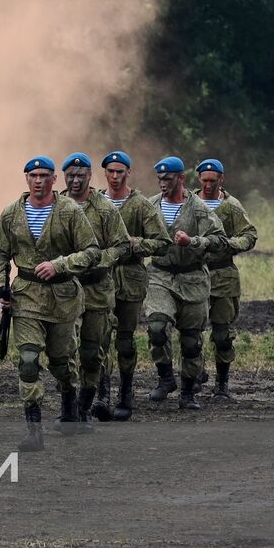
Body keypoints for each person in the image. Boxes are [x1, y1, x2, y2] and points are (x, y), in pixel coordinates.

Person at [0, 156, 99, 452]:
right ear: (26, 179)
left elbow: (91, 252)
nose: (38, 180)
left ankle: (69, 405)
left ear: (54, 179)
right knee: (28, 361)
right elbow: (0, 253)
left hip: (62, 297)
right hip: (25, 295)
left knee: (61, 363)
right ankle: (34, 430)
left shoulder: (70, 211)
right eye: (33, 175)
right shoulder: (12, 213)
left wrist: (60, 264)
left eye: (44, 175)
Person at [144, 157, 227, 410]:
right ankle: (165, 377)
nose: (162, 183)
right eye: (159, 179)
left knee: (191, 341)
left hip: (192, 278)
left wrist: (193, 241)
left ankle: (188, 393)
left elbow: (219, 239)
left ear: (181, 178)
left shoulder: (198, 207)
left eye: (168, 178)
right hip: (160, 275)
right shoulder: (150, 206)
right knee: (157, 326)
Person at [99, 151, 170, 421]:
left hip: (130, 278)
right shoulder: (96, 204)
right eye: (111, 171)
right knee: (99, 339)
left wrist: (136, 244)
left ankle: (126, 394)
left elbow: (162, 243)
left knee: (125, 341)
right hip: (100, 279)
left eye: (120, 171)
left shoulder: (140, 205)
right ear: (104, 173)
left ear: (129, 172)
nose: (115, 176)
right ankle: (101, 394)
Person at [60, 153, 127, 429]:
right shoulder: (56, 206)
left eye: (81, 175)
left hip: (97, 289)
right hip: (64, 288)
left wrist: (99, 259)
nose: (75, 180)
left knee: (91, 352)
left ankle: (85, 407)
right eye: (70, 176)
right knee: (64, 350)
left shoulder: (105, 209)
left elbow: (122, 245)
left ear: (90, 176)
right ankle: (68, 408)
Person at [195, 159, 257, 399]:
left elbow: (249, 235)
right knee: (191, 330)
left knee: (222, 333)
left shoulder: (231, 206)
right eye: (205, 180)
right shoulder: (190, 203)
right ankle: (194, 376)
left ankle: (222, 384)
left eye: (213, 180)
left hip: (223, 274)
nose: (209, 184)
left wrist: (230, 244)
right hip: (194, 273)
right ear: (198, 179)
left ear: (222, 179)